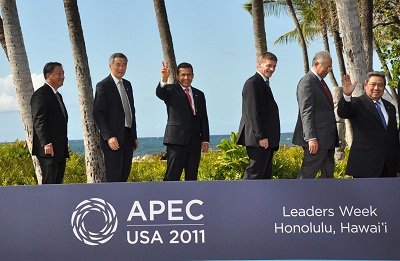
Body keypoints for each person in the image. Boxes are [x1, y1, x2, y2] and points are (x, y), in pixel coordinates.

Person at [338, 72, 400, 178]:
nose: (376, 88)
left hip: (388, 167)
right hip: (365, 166)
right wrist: (347, 95)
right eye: (373, 84)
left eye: (380, 85)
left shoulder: (390, 107)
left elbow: (394, 138)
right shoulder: (357, 103)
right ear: (365, 85)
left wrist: (398, 168)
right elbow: (343, 112)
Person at [156, 61, 209, 181]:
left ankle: (189, 199)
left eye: (189, 74)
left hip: (194, 142)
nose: (186, 78)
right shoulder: (170, 90)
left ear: (193, 76)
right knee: (172, 176)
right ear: (177, 76)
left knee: (192, 177)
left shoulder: (199, 94)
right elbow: (160, 93)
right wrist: (163, 79)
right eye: (183, 75)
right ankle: (168, 198)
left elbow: (203, 118)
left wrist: (205, 139)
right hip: (176, 141)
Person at [93, 53, 139, 182]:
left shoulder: (128, 85)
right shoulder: (103, 85)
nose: (121, 68)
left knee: (124, 175)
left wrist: (134, 136)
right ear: (110, 66)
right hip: (113, 139)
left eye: (124, 65)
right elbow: (98, 113)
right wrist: (108, 136)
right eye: (118, 64)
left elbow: (131, 111)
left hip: (128, 138)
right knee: (114, 178)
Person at [292, 51, 338, 179]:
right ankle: (297, 197)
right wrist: (311, 138)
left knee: (328, 175)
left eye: (330, 68)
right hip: (316, 140)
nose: (328, 70)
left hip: (327, 140)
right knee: (308, 174)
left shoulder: (320, 82)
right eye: (326, 67)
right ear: (317, 64)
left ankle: (325, 198)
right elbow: (306, 111)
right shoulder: (307, 82)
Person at [237, 52, 280, 179]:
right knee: (254, 173)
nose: (272, 69)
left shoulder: (264, 83)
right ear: (259, 64)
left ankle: (261, 199)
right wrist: (261, 136)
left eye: (274, 66)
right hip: (258, 140)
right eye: (269, 65)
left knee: (265, 175)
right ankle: (244, 198)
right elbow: (253, 112)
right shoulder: (252, 83)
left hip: (267, 139)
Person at [30, 62, 69, 184]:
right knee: (49, 185)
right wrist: (46, 143)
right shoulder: (40, 95)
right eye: (58, 73)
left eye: (63, 73)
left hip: (59, 149)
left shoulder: (58, 96)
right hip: (48, 150)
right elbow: (39, 121)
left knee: (57, 185)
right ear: (48, 75)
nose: (62, 76)